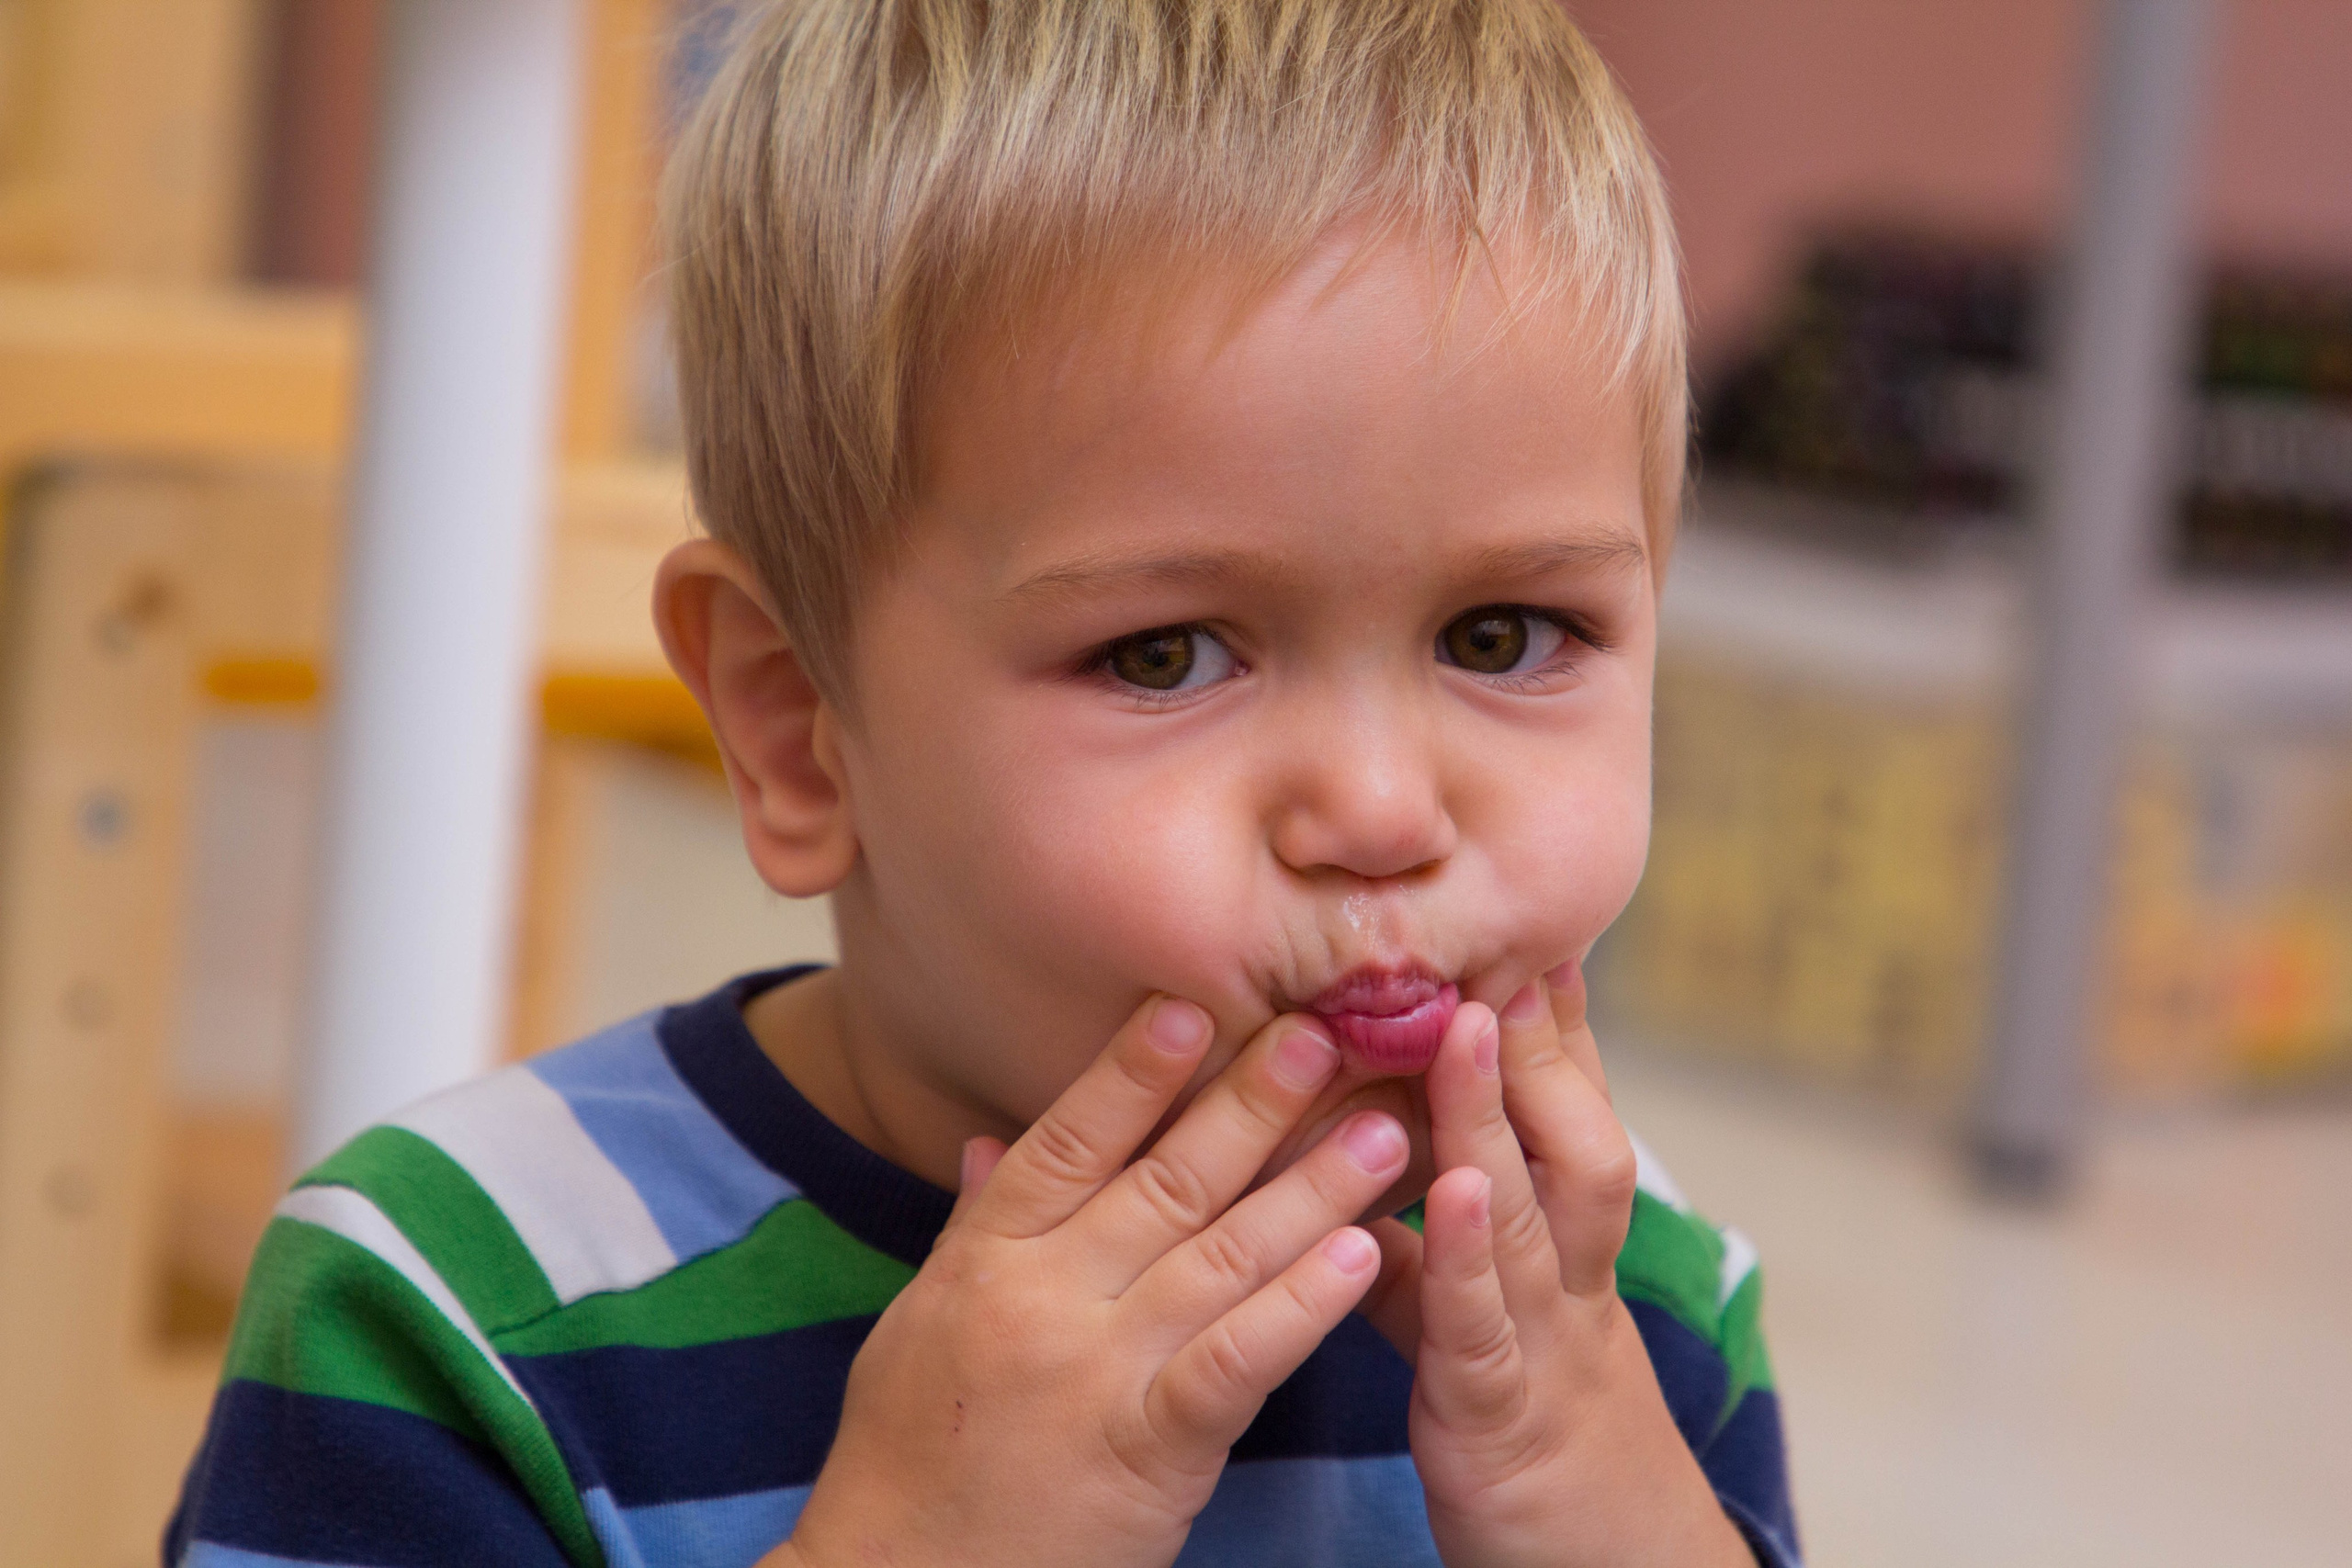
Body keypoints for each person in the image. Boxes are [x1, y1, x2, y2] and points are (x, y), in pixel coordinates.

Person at [167, 3, 1798, 1564]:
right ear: (800, 721)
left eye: (1507, 634)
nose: (1380, 811)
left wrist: (1610, 1511)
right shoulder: (463, 1313)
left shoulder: (1632, 1300)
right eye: (1167, 655)